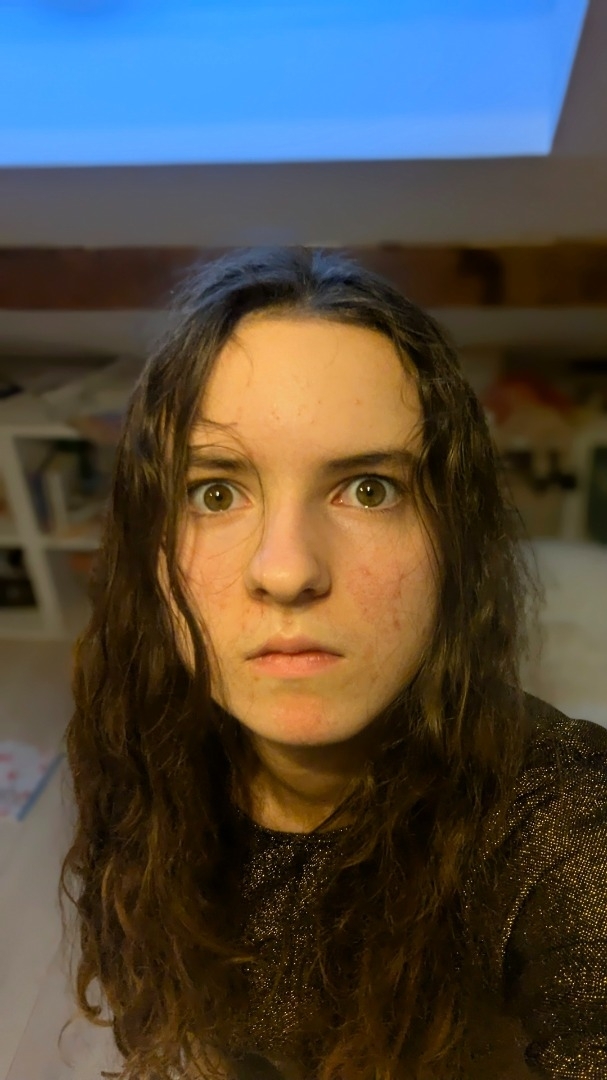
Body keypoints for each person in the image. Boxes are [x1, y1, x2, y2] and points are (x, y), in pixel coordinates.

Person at [57, 247, 607, 1080]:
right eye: (214, 491)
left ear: (454, 540)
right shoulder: (139, 741)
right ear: (150, 550)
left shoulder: (566, 835)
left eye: (368, 488)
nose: (286, 570)